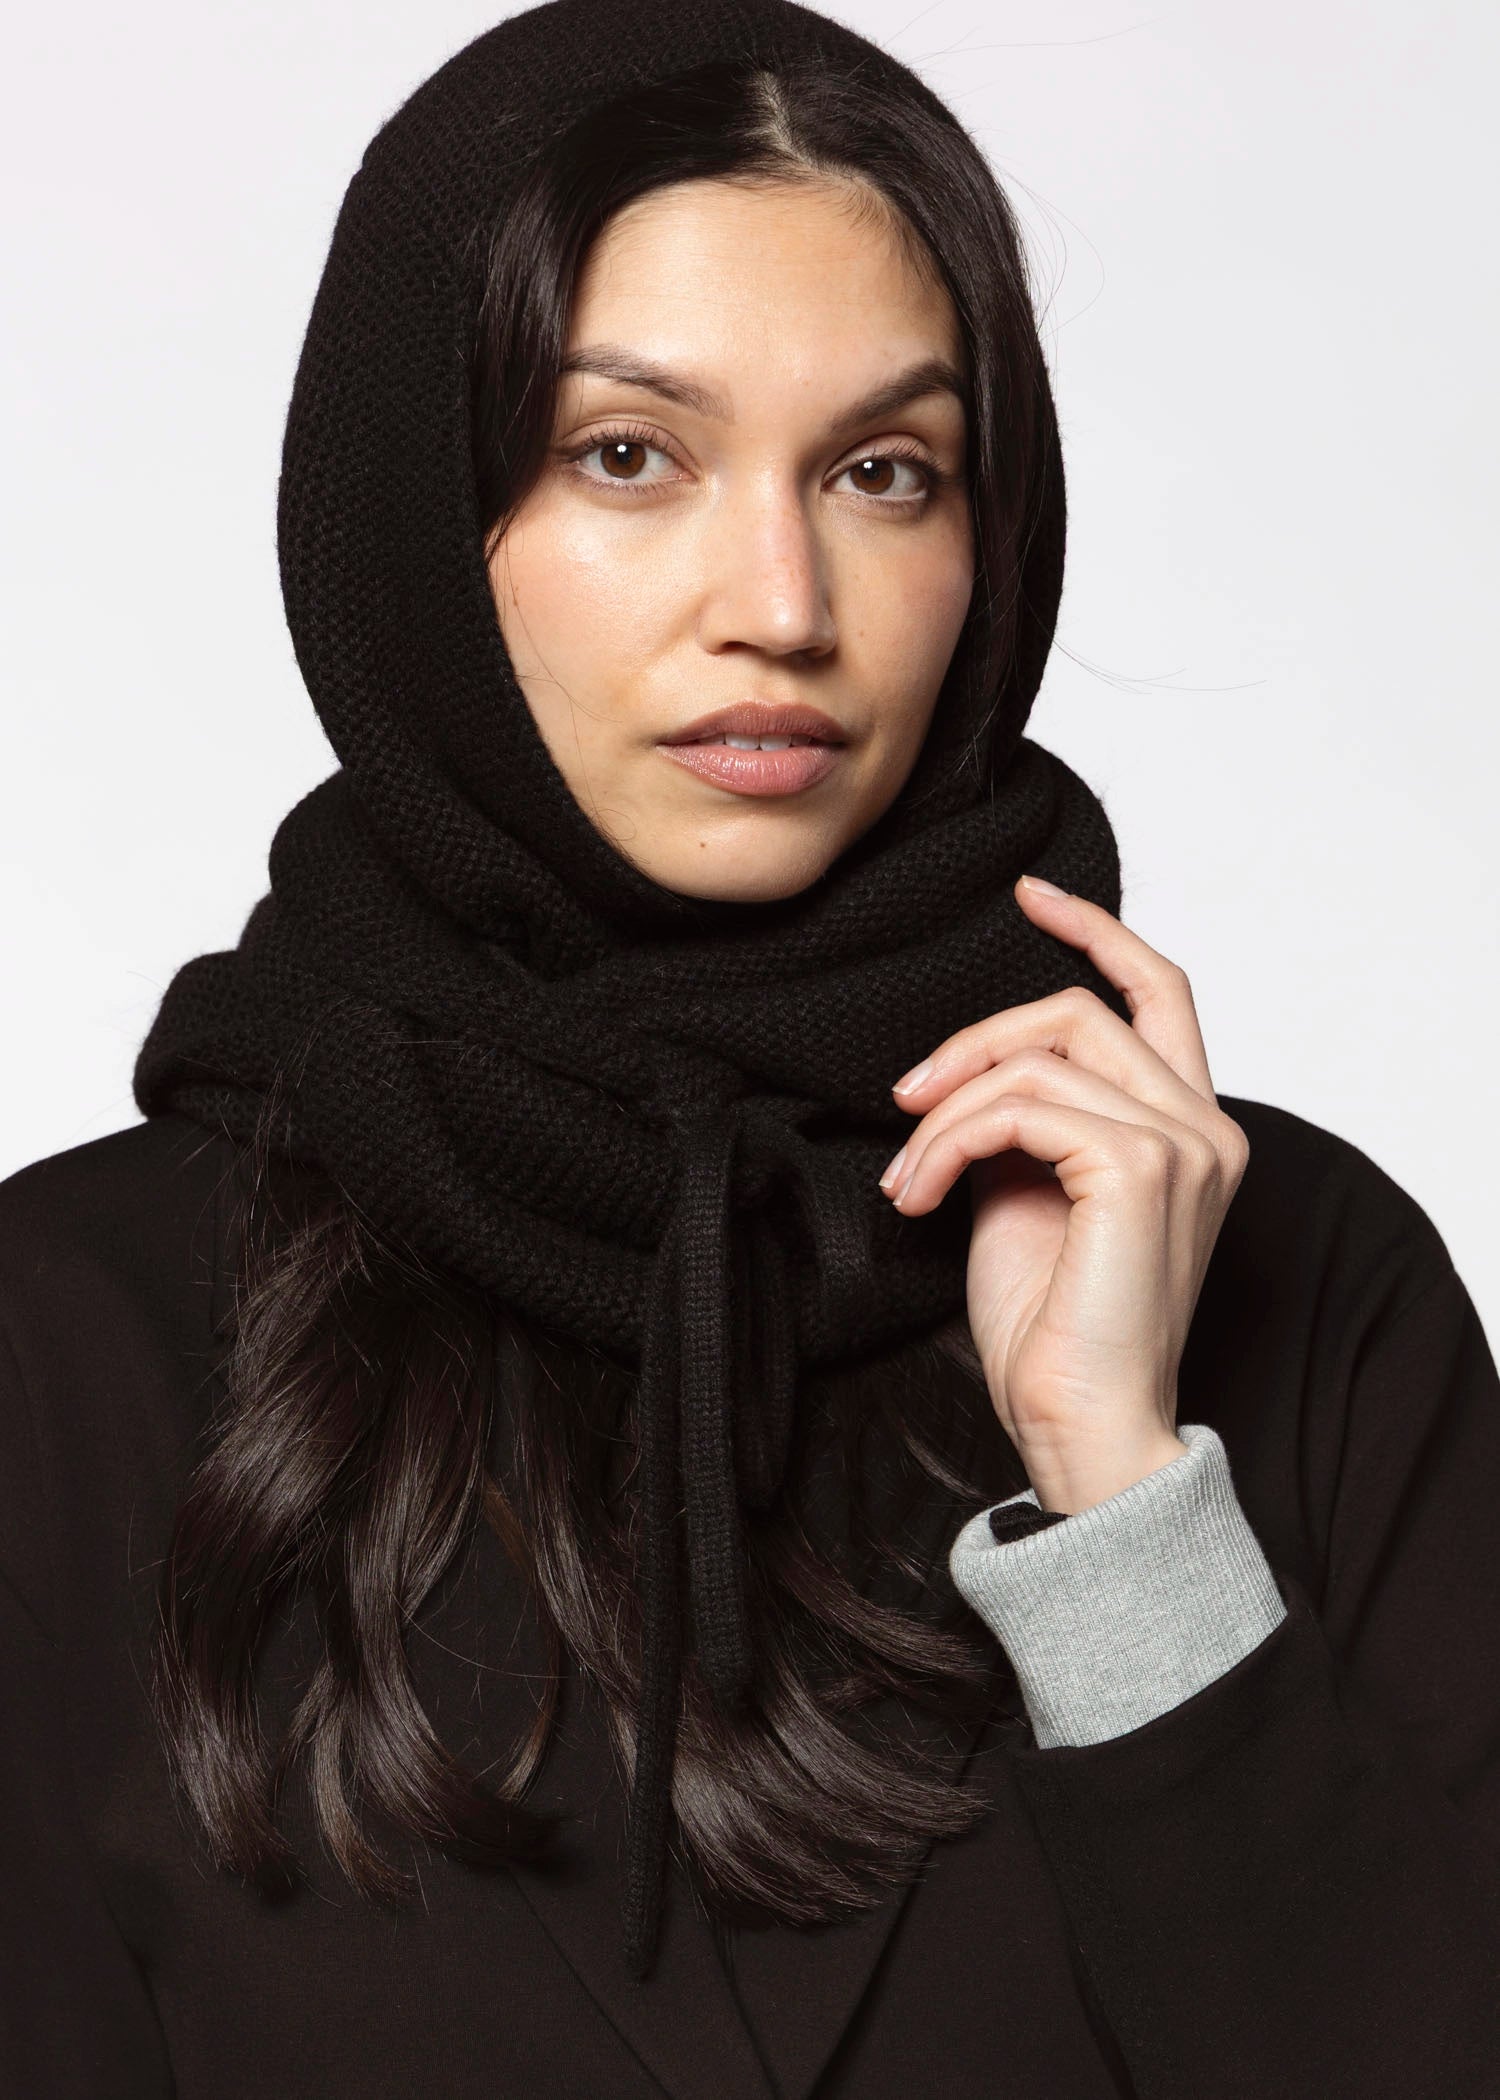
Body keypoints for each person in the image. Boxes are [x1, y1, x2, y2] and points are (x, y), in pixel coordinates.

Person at [2, 3, 1497, 2094]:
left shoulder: (1298, 1281)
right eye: (628, 454)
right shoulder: (67, 1342)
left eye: (887, 473)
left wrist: (1123, 1505)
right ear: (416, 511)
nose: (784, 603)